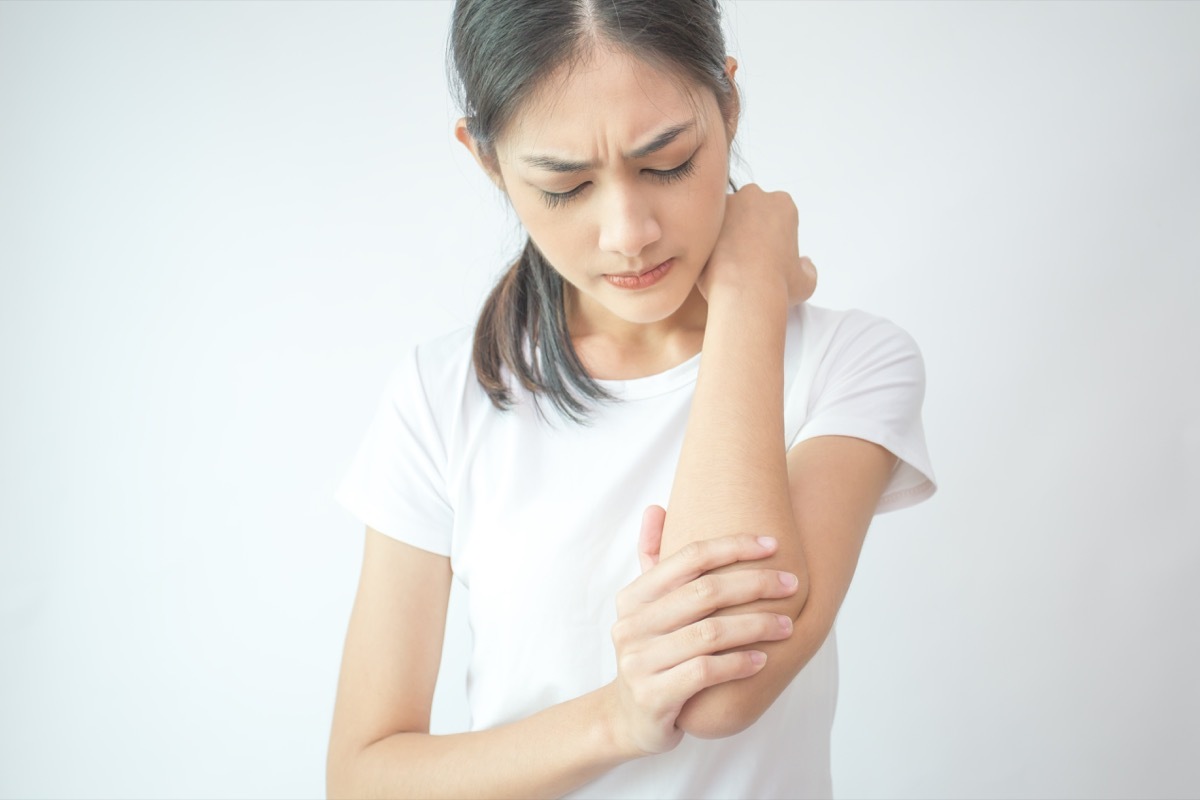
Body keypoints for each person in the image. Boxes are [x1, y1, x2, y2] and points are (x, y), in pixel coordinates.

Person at [326, 1, 936, 797]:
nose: (629, 231)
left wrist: (750, 293)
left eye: (669, 163)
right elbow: (363, 777)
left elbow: (720, 696)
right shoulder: (443, 396)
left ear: (728, 105)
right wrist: (618, 716)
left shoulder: (846, 364)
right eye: (566, 185)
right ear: (487, 162)